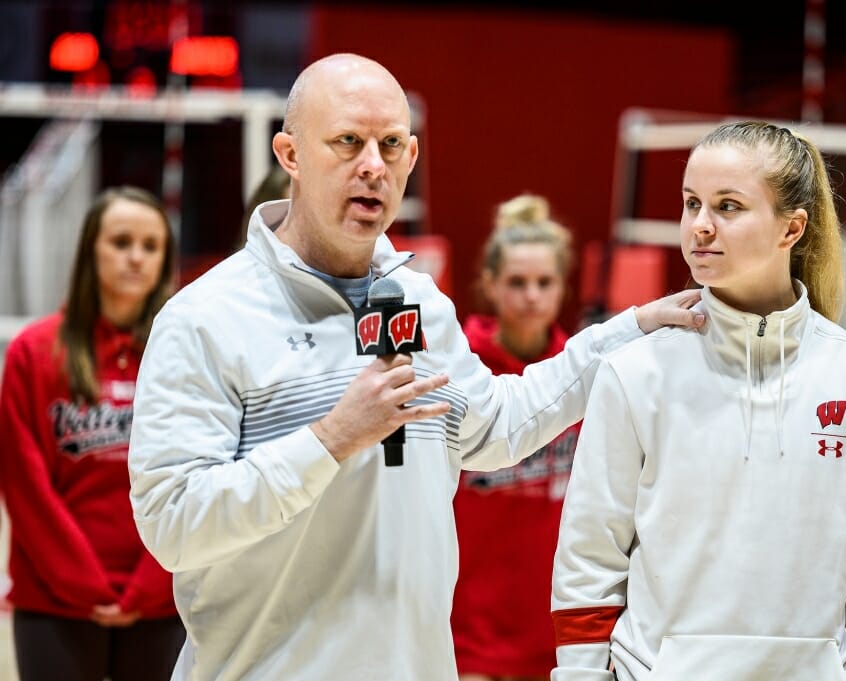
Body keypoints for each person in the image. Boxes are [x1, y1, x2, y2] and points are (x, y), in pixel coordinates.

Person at [126, 53, 704, 681]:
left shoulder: (414, 301)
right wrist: (330, 439)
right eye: (347, 142)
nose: (372, 165)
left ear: (411, 158)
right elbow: (174, 526)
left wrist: (630, 331)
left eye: (390, 145)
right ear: (289, 155)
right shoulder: (205, 317)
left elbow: (496, 426)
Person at [550, 121, 846, 681]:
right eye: (691, 203)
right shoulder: (634, 372)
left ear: (792, 228)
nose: (700, 226)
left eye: (727, 206)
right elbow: (589, 557)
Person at [0, 186, 183, 681]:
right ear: (90, 250)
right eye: (121, 241)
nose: (135, 257)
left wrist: (153, 584)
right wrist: (87, 587)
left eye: (150, 246)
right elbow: (25, 487)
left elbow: (197, 473)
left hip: (162, 597)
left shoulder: (183, 354)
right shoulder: (33, 353)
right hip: (54, 601)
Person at [452, 194, 577, 680]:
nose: (531, 296)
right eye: (517, 282)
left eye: (544, 283)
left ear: (562, 286)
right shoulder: (460, 370)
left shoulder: (581, 372)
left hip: (552, 631)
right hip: (468, 629)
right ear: (490, 284)